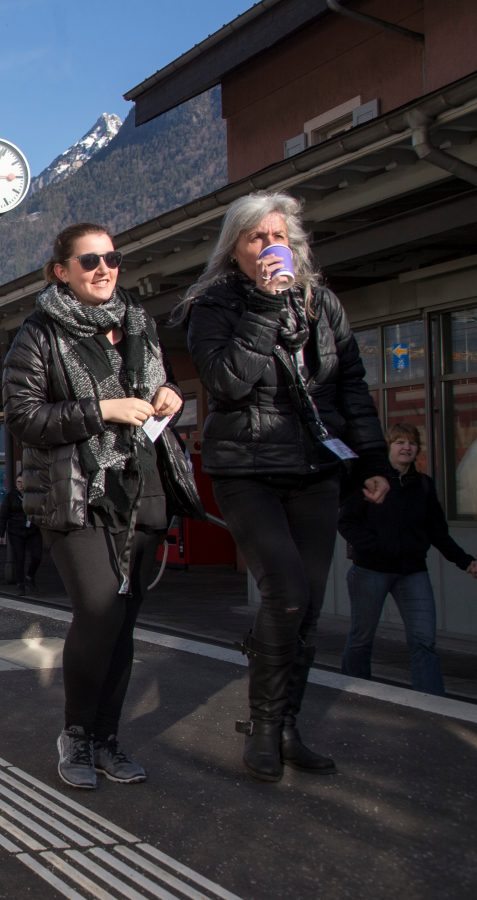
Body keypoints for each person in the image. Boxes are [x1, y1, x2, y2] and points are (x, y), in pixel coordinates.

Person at [179, 191, 390, 783]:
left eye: (280, 237)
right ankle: (263, 726)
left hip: (315, 470)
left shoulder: (322, 304)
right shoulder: (212, 304)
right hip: (246, 470)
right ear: (235, 250)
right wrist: (267, 305)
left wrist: (374, 461)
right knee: (287, 592)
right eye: (257, 238)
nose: (272, 247)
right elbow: (227, 382)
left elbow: (352, 386)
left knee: (312, 606)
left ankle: (290, 724)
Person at [4, 222, 187, 790]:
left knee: (124, 624)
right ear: (62, 271)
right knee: (100, 611)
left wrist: (169, 397)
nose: (104, 269)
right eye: (89, 261)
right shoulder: (40, 334)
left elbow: (160, 389)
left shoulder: (140, 325)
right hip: (76, 493)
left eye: (112, 258)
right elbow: (24, 418)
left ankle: (108, 739)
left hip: (142, 485)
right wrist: (102, 410)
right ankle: (76, 735)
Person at [338, 424, 475, 696]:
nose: (406, 447)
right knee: (362, 637)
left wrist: (466, 561)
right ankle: (354, 691)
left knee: (423, 640)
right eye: (399, 442)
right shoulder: (370, 482)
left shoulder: (422, 485)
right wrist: (374, 547)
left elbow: (437, 531)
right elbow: (346, 522)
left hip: (413, 572)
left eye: (411, 443)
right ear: (388, 448)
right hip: (370, 570)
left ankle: (432, 701)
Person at [0, 474, 42, 595]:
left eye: (22, 482)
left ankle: (29, 577)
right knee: (19, 558)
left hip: (32, 529)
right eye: (18, 482)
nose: (19, 484)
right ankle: (20, 584)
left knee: (37, 555)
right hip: (16, 531)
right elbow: (3, 515)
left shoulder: (33, 495)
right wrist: (0, 533)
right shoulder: (11, 496)